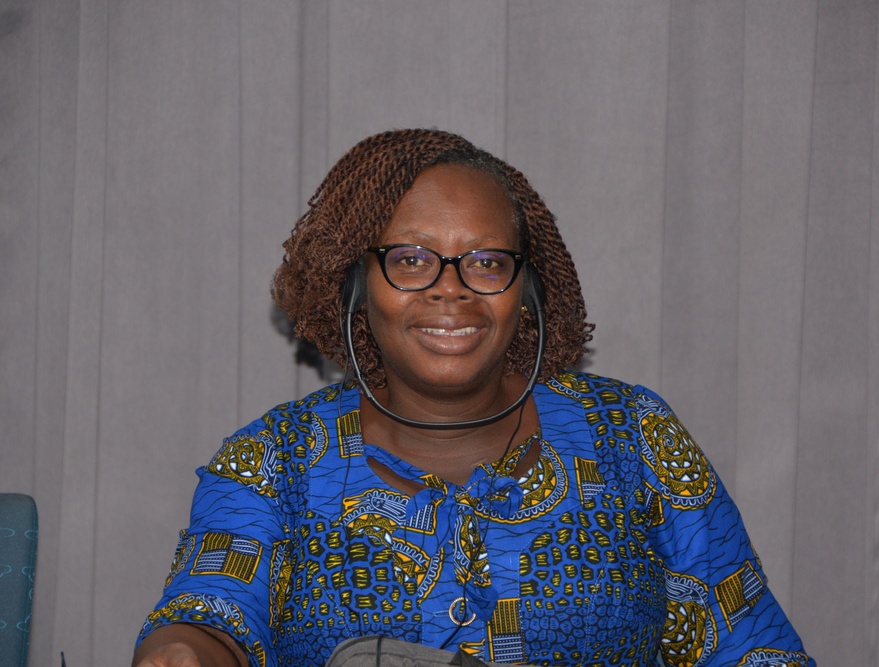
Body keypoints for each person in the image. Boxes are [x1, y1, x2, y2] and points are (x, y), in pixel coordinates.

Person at [132, 128, 814, 667]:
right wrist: (187, 648)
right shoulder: (274, 459)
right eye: (410, 259)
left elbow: (752, 646)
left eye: (487, 262)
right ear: (356, 286)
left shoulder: (634, 435)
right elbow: (212, 611)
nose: (450, 289)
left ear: (526, 292)